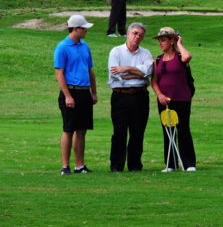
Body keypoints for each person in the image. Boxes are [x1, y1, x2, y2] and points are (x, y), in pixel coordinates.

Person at [54, 15, 97, 175]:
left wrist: (93, 92)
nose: (86, 30)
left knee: (82, 130)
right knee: (69, 129)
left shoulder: (85, 46)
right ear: (75, 29)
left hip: (84, 92)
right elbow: (59, 73)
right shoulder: (62, 47)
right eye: (84, 28)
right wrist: (67, 95)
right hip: (70, 91)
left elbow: (90, 70)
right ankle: (65, 166)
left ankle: (80, 165)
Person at [108, 22, 153, 172]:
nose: (137, 37)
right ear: (127, 34)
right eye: (135, 33)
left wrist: (126, 69)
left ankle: (135, 165)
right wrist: (137, 72)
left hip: (140, 96)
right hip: (121, 96)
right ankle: (116, 166)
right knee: (119, 132)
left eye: (141, 35)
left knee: (137, 132)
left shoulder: (146, 53)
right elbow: (116, 76)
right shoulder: (116, 51)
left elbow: (147, 72)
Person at [151, 27, 196, 172]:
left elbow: (187, 57)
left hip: (182, 99)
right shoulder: (157, 59)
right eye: (159, 40)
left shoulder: (180, 57)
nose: (160, 43)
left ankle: (189, 163)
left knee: (183, 130)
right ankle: (171, 164)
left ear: (172, 41)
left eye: (163, 40)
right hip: (165, 100)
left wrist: (180, 44)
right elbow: (154, 81)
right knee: (168, 132)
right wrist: (159, 95)